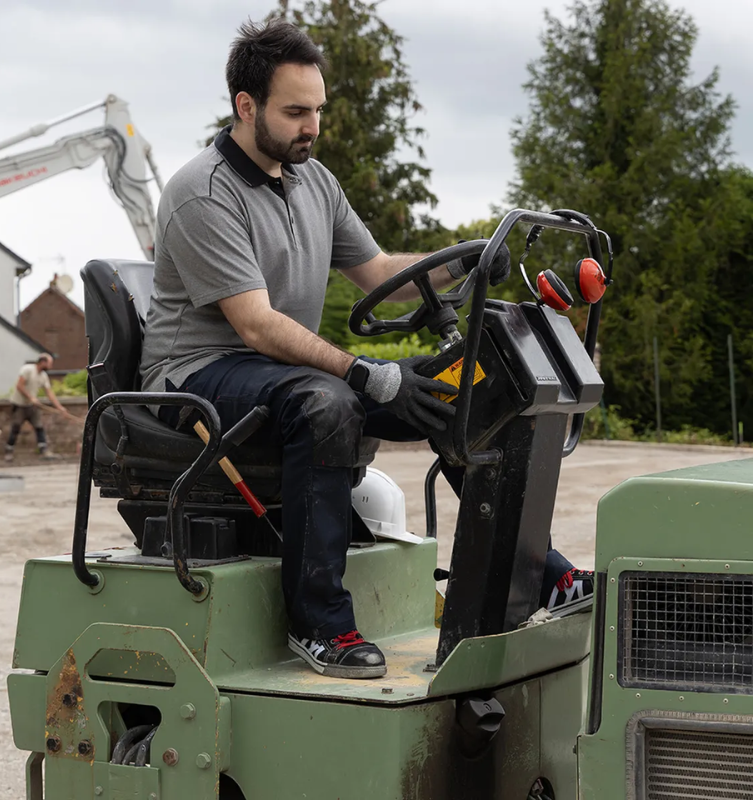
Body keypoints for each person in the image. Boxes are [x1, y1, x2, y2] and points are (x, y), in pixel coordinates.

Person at [140, 19, 592, 680]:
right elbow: (257, 328)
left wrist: (465, 263)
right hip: (195, 373)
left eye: (318, 109)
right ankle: (320, 625)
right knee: (326, 404)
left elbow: (379, 273)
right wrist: (363, 373)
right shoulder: (202, 193)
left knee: (462, 386)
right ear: (246, 106)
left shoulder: (314, 183)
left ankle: (542, 575)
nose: (312, 126)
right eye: (296, 111)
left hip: (274, 370)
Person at [5, 353, 67, 462]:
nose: (51, 367)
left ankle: (43, 451)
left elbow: (49, 393)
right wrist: (31, 398)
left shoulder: (43, 376)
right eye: (49, 364)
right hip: (19, 405)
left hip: (32, 406)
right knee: (16, 427)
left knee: (39, 427)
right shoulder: (27, 369)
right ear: (43, 362)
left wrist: (59, 407)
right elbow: (19, 386)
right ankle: (9, 452)